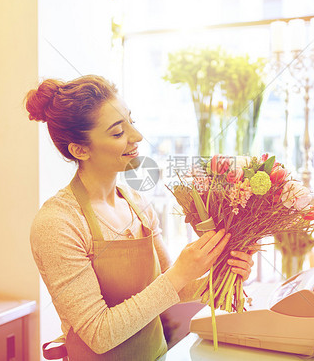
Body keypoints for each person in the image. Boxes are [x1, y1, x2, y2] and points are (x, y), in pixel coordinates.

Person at [25, 75, 255, 361]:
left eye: (131, 122)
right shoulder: (58, 223)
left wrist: (223, 277)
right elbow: (99, 334)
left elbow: (174, 291)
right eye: (118, 132)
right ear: (80, 149)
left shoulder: (137, 204)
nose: (136, 137)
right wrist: (180, 272)